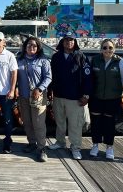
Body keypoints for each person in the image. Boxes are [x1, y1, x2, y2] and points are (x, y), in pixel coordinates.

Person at [48, 32, 92, 160]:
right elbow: (52, 76)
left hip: (75, 97)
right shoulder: (56, 57)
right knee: (60, 122)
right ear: (62, 42)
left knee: (75, 124)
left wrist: (86, 95)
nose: (69, 42)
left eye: (72, 40)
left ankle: (75, 147)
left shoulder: (81, 56)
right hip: (58, 95)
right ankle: (60, 142)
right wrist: (51, 91)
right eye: (66, 40)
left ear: (75, 42)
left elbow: (87, 77)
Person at [89, 39, 123, 160]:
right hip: (96, 97)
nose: (108, 50)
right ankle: (95, 145)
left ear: (114, 49)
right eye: (105, 47)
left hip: (113, 98)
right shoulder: (94, 60)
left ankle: (109, 147)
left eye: (110, 47)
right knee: (95, 122)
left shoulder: (120, 62)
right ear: (101, 49)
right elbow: (89, 78)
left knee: (109, 123)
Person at [16, 36, 52, 162]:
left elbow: (48, 78)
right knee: (27, 121)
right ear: (25, 46)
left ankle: (42, 148)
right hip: (23, 96)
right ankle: (32, 143)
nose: (32, 47)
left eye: (35, 45)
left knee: (39, 123)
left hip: (38, 96)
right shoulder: (19, 60)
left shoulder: (43, 61)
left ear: (38, 48)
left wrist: (39, 89)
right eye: (29, 45)